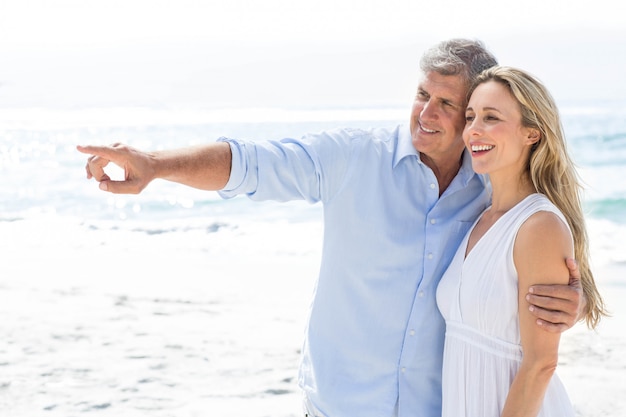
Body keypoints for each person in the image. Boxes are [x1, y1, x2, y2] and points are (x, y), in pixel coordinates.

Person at [77, 39, 586, 417]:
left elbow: (539, 254)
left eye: (449, 105)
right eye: (421, 94)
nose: (426, 114)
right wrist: (155, 164)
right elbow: (250, 164)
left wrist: (574, 297)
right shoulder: (353, 158)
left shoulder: (491, 189)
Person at [436, 66, 607, 416]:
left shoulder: (538, 226)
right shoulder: (481, 215)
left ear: (532, 134)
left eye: (491, 117)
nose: (473, 131)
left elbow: (541, 364)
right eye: (470, 117)